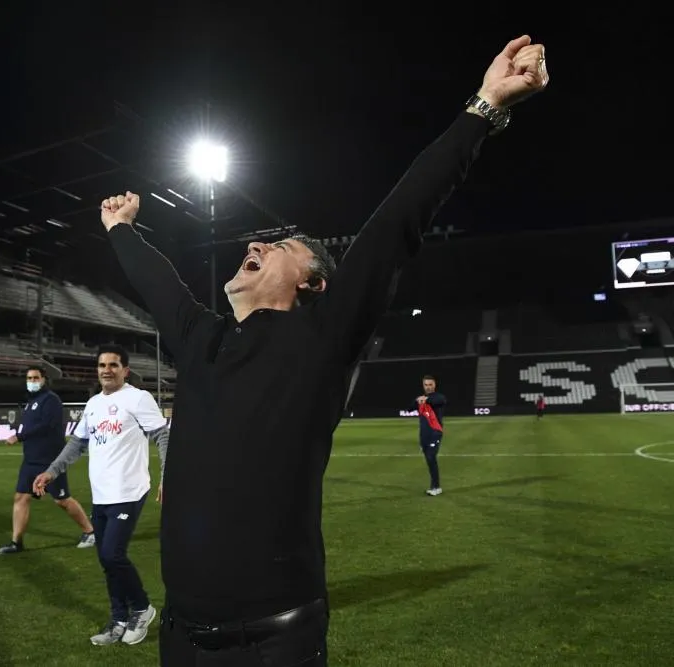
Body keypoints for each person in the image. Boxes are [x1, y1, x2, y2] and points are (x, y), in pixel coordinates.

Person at [99, 35, 549, 665]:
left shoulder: (324, 336)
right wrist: (120, 229)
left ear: (314, 283)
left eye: (283, 245)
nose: (261, 243)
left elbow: (397, 221)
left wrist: (485, 108)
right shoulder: (203, 340)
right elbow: (158, 284)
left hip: (276, 640)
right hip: (181, 640)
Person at [33, 345, 170, 647]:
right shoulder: (93, 403)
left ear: (125, 370)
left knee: (112, 554)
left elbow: (162, 435)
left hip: (129, 490)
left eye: (113, 365)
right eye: (102, 365)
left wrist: (168, 475)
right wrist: (51, 472)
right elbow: (77, 443)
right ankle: (118, 619)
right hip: (101, 493)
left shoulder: (138, 398)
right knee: (106, 560)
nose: (106, 370)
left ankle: (142, 608)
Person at [0, 365, 95, 554]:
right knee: (21, 497)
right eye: (29, 378)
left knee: (62, 500)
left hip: (50, 461)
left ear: (43, 379)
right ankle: (16, 543)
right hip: (30, 460)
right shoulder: (31, 402)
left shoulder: (51, 400)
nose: (32, 382)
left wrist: (19, 436)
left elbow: (46, 426)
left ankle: (89, 532)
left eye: (35, 378)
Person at [417, 375, 447, 496]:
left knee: (431, 457)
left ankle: (436, 487)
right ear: (423, 386)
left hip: (435, 433)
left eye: (430, 384)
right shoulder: (421, 399)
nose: (428, 387)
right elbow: (409, 408)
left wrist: (425, 400)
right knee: (429, 460)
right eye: (426, 385)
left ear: (434, 385)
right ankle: (434, 486)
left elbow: (439, 401)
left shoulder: (438, 397)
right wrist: (417, 401)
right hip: (424, 434)